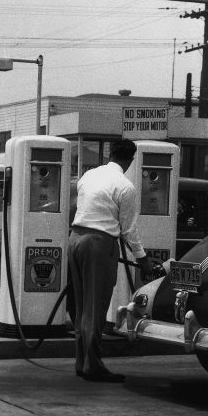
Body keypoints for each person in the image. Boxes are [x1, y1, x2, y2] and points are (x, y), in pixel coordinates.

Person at [69, 138, 153, 383]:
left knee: (81, 306)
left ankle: (81, 361)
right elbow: (128, 230)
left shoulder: (89, 175)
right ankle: (92, 365)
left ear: (110, 153)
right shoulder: (125, 186)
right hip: (98, 243)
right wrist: (143, 259)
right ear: (131, 158)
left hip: (75, 239)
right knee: (95, 308)